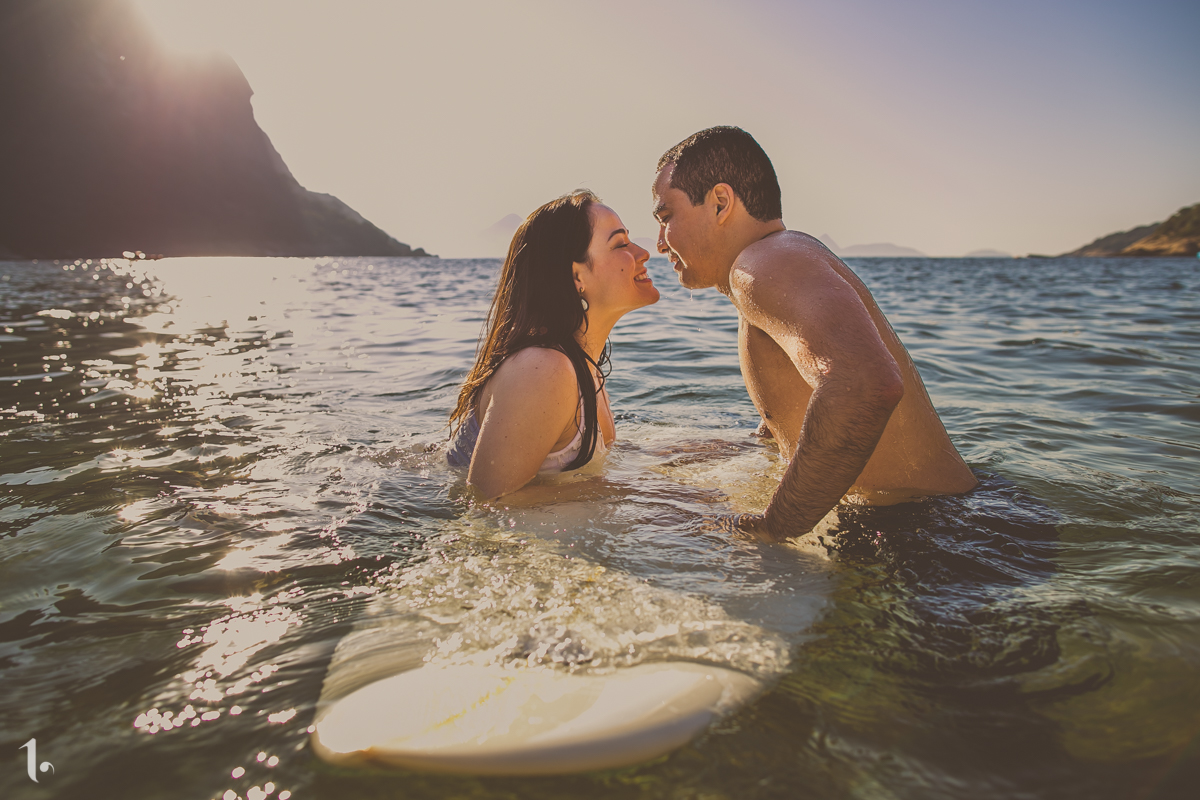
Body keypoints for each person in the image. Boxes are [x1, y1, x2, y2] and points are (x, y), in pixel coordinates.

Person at [651, 126, 977, 542]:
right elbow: (807, 408)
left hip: (927, 535)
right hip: (935, 523)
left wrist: (773, 528)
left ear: (719, 203)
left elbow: (866, 384)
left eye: (666, 218)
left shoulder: (764, 265)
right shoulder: (778, 260)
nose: (660, 243)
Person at [448, 190, 659, 499]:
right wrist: (654, 500)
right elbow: (484, 503)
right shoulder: (543, 368)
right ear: (576, 277)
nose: (644, 252)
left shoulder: (585, 368)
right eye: (621, 244)